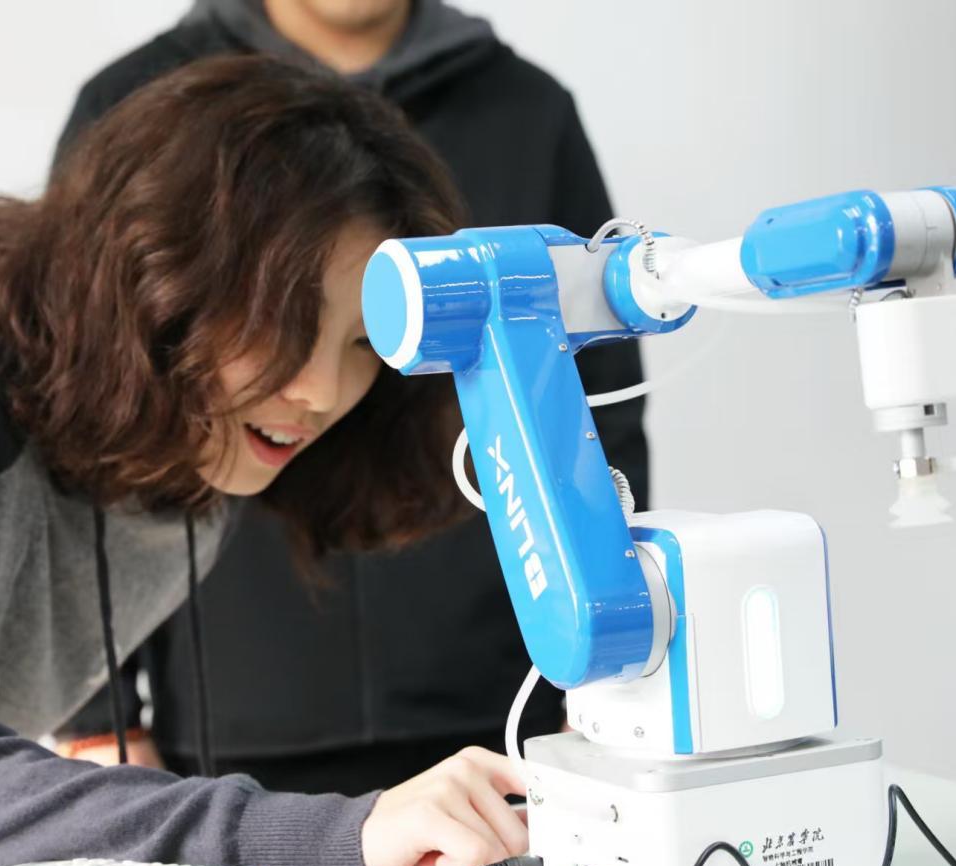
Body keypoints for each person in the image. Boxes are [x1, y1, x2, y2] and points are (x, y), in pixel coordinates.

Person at [0, 56, 530, 866]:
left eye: (361, 341)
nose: (321, 389)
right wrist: (343, 834)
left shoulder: (190, 431)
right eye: (288, 317)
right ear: (163, 275)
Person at [54, 0, 650, 793]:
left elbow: (601, 402)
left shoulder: (526, 109)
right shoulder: (138, 99)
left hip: (495, 688)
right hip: (236, 693)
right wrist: (100, 720)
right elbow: (88, 400)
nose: (317, 385)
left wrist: (608, 659)